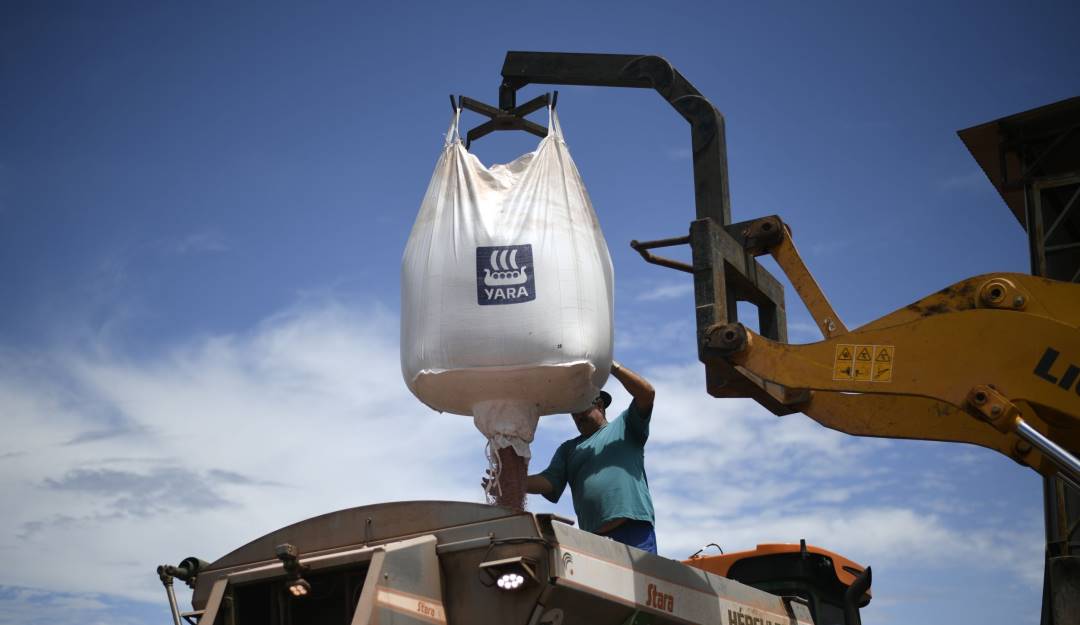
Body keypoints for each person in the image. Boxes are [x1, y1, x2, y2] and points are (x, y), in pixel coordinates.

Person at [527, 361, 658, 553]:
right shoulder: (569, 449)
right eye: (573, 413)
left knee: (641, 582)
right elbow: (548, 483)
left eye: (581, 408)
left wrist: (611, 366)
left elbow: (647, 394)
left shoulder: (625, 426)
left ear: (599, 404)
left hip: (633, 529)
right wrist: (513, 482)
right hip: (594, 539)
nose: (577, 417)